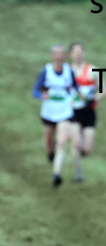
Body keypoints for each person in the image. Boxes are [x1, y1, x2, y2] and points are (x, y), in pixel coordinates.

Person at [32, 44, 82, 187]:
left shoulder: (68, 71)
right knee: (49, 144)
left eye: (62, 53)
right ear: (52, 55)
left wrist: (77, 94)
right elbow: (34, 90)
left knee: (61, 143)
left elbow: (75, 86)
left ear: (65, 55)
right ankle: (50, 152)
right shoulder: (46, 71)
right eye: (56, 53)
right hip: (48, 112)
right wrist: (42, 95)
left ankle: (56, 175)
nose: (59, 56)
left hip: (65, 112)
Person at [68, 42, 104, 163]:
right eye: (75, 52)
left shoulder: (93, 70)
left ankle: (81, 150)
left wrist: (95, 98)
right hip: (73, 112)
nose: (78, 55)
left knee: (87, 149)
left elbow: (104, 88)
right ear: (70, 54)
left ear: (84, 53)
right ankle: (78, 174)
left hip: (89, 112)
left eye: (80, 52)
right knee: (76, 144)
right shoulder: (67, 71)